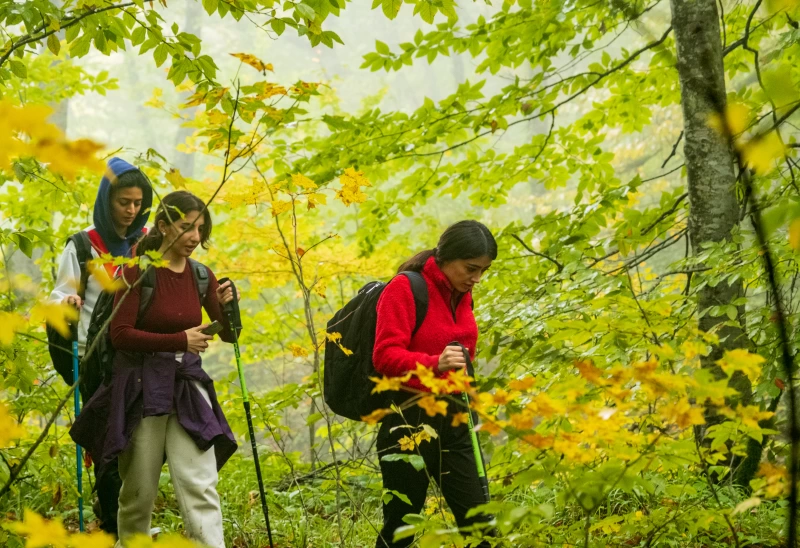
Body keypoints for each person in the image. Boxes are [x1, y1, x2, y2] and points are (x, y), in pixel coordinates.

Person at [70, 191, 238, 548]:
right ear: (163, 226)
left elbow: (231, 334)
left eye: (200, 229)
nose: (195, 236)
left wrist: (229, 307)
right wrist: (179, 340)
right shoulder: (137, 272)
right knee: (138, 491)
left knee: (200, 483)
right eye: (186, 227)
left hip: (186, 388)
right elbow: (120, 334)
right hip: (142, 388)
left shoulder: (201, 275)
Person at [373, 220, 498, 548]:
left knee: (479, 523)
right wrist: (433, 364)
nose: (477, 279)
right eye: (471, 268)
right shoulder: (404, 288)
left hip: (455, 417)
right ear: (446, 258)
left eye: (483, 270)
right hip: (407, 418)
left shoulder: (463, 294)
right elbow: (384, 356)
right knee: (402, 526)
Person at [49, 157, 153, 537]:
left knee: (139, 443)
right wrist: (67, 304)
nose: (131, 211)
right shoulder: (82, 246)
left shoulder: (145, 246)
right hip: (92, 359)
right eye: (123, 202)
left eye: (137, 203)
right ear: (106, 200)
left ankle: (132, 522)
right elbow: (60, 293)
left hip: (137, 354)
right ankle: (112, 526)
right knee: (108, 442)